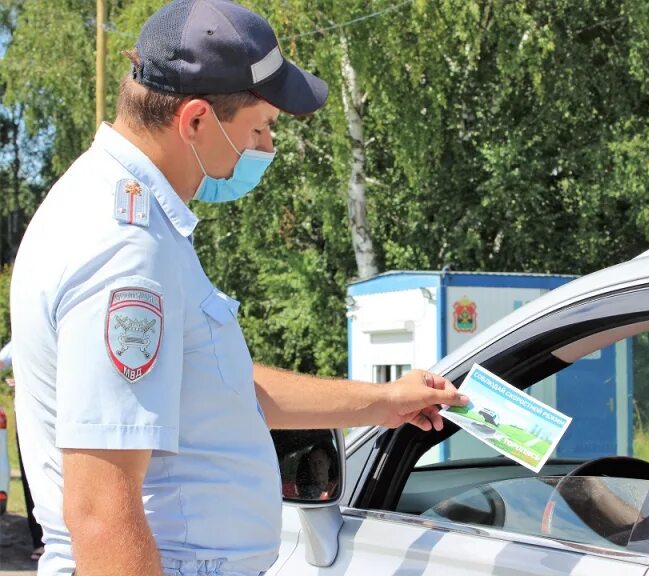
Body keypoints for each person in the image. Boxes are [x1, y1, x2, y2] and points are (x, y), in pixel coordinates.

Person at [9, 2, 468, 575]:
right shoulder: (124, 248)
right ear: (197, 120)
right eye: (261, 126)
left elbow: (212, 391)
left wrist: (385, 402)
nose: (267, 148)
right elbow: (103, 506)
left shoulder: (131, 217)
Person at [0, 340, 45, 561]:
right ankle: (40, 542)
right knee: (31, 478)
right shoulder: (18, 342)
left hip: (57, 414)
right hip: (27, 414)